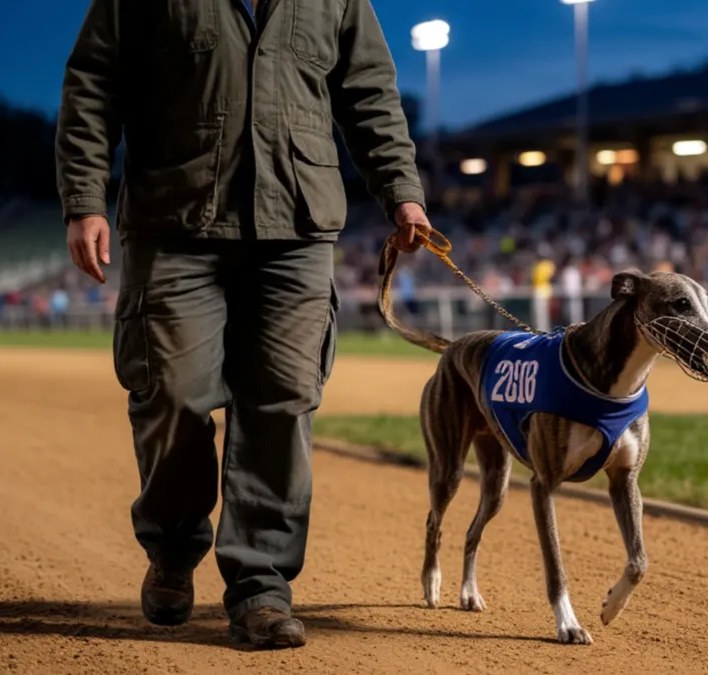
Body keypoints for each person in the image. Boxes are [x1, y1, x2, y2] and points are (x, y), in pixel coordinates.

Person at [56, 0, 429, 648]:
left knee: (281, 401)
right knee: (171, 393)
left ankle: (260, 585)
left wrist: (401, 187)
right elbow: (94, 80)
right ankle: (173, 547)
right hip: (174, 220)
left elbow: (367, 87)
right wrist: (84, 197)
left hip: (297, 226)